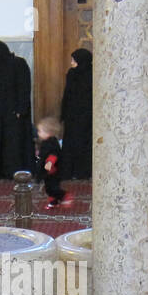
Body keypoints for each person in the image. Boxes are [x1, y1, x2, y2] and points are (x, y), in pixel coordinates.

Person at [0, 40, 34, 179]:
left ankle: (16, 172)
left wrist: (20, 111)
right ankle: (2, 172)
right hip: (0, 116)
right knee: (1, 144)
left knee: (14, 145)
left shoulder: (19, 64)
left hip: (14, 115)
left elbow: (24, 88)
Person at [59, 47, 92, 180]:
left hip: (86, 117)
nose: (72, 63)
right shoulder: (72, 74)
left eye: (74, 60)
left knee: (83, 144)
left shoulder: (91, 75)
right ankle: (69, 171)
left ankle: (82, 172)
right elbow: (67, 95)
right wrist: (63, 113)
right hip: (72, 116)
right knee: (70, 144)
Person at [36, 116, 73, 210]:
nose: (38, 133)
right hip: (48, 170)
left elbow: (52, 156)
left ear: (48, 133)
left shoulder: (51, 143)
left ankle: (64, 195)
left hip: (52, 171)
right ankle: (53, 202)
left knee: (52, 188)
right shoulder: (45, 142)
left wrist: (48, 166)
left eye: (40, 131)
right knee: (48, 187)